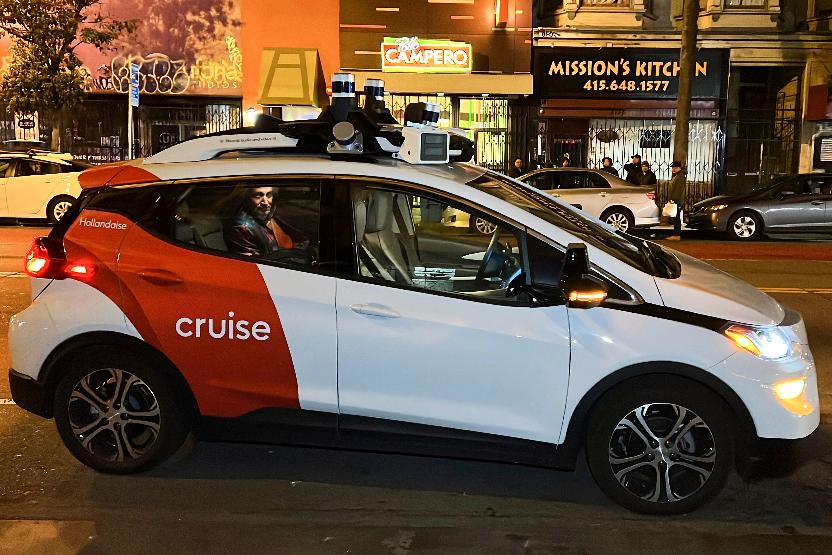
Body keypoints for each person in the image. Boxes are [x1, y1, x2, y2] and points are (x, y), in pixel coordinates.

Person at [224, 186, 306, 257]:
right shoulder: (240, 228)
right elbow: (254, 265)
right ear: (246, 198)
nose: (266, 203)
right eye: (258, 196)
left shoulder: (269, 216)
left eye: (269, 195)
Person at [666, 161, 686, 241]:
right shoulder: (677, 176)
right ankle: (676, 234)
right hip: (675, 201)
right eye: (672, 168)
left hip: (676, 201)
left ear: (679, 168)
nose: (673, 169)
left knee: (677, 218)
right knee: (675, 218)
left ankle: (676, 235)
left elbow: (678, 191)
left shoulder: (680, 177)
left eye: (675, 168)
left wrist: (673, 200)